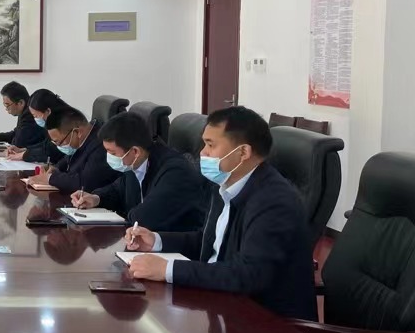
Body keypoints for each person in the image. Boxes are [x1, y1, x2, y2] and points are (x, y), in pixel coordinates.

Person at [123, 107, 318, 321]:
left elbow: (249, 274)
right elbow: (211, 241)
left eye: (210, 145)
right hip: (222, 305)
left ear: (243, 152)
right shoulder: (226, 184)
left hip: (266, 324)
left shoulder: (274, 202)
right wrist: (156, 241)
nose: (202, 153)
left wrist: (168, 269)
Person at [71, 112, 206, 232]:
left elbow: (144, 217)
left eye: (112, 153)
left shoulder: (175, 173)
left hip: (172, 245)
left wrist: (120, 216)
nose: (108, 157)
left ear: (135, 151)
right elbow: (118, 189)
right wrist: (96, 198)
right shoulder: (137, 162)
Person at [27, 106, 119, 193]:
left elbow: (84, 183)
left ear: (77, 132)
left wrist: (49, 178)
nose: (59, 146)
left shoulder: (101, 146)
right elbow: (68, 159)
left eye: (60, 142)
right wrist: (56, 168)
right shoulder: (83, 138)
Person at [5, 88, 70, 164]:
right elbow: (46, 144)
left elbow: (51, 150)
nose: (35, 119)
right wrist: (23, 150)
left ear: (48, 111)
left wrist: (24, 155)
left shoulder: (63, 123)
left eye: (35, 115)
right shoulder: (52, 121)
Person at [0, 81, 46, 150]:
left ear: (21, 103)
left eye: (7, 105)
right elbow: (16, 133)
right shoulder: (25, 111)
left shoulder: (29, 115)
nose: (6, 109)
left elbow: (18, 144)